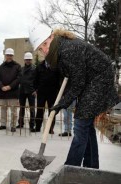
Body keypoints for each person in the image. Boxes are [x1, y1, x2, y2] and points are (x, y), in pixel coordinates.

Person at [29, 24, 119, 169]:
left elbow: (78, 82)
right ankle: (91, 167)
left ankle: (70, 168)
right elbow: (71, 78)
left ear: (52, 36)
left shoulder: (68, 49)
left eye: (45, 44)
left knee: (80, 126)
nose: (44, 50)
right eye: (40, 48)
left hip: (99, 79)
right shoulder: (60, 50)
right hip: (91, 81)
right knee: (86, 126)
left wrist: (62, 103)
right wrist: (62, 101)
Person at [0, 48, 21, 132]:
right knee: (3, 110)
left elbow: (18, 79)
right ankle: (3, 124)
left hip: (13, 92)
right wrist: (1, 86)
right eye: (7, 55)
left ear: (12, 56)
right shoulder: (1, 67)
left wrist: (10, 86)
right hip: (2, 93)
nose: (9, 57)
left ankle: (13, 125)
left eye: (10, 55)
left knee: (13, 111)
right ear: (5, 56)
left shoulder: (17, 66)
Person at [34, 60, 60, 134]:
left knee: (52, 110)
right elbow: (35, 79)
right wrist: (36, 88)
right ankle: (38, 127)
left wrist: (58, 90)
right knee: (39, 110)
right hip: (41, 92)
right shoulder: (39, 66)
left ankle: (50, 128)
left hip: (52, 92)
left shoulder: (55, 66)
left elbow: (58, 79)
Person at [17, 52, 37, 131]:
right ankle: (20, 123)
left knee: (32, 109)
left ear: (31, 60)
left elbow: (37, 80)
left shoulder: (34, 69)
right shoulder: (21, 69)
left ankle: (32, 125)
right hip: (22, 91)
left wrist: (36, 90)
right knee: (22, 108)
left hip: (31, 91)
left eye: (29, 59)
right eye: (26, 59)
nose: (28, 61)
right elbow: (19, 79)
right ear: (24, 60)